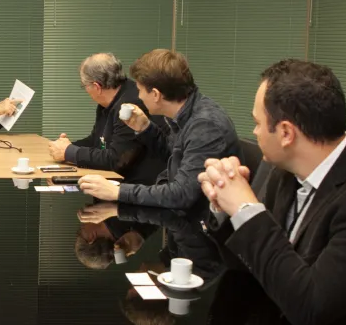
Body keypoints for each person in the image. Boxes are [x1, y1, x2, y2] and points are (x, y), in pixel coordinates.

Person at [198, 59, 346, 325]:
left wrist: (245, 208)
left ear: (286, 132)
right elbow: (248, 265)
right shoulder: (283, 168)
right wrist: (225, 208)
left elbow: (310, 305)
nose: (254, 132)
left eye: (257, 123)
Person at [78, 49, 241, 209]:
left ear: (155, 94)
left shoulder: (205, 126)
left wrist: (118, 192)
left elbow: (182, 195)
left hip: (196, 220)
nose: (138, 96)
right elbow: (171, 155)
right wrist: (145, 128)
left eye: (140, 90)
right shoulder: (185, 114)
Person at [48, 53, 165, 182]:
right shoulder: (107, 103)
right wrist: (66, 147)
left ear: (96, 87)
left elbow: (116, 160)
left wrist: (70, 152)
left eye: (85, 86)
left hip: (137, 186)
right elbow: (97, 141)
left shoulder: (129, 106)